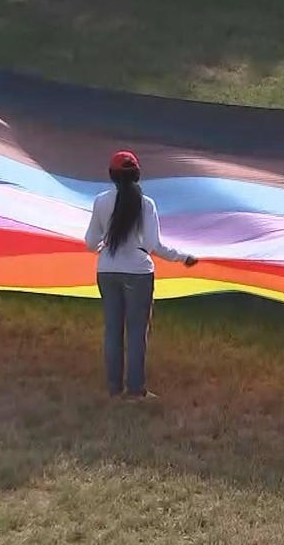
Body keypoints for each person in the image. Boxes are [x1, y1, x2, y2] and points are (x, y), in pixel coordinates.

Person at [84, 150, 197, 401]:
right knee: (136, 333)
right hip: (138, 273)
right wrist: (182, 257)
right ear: (137, 175)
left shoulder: (101, 201)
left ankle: (114, 390)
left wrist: (102, 249)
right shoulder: (147, 204)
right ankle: (135, 391)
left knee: (112, 331)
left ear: (111, 175)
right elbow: (153, 244)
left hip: (107, 270)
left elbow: (91, 241)